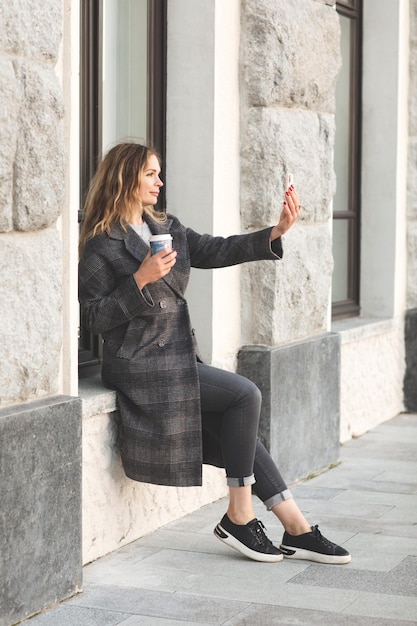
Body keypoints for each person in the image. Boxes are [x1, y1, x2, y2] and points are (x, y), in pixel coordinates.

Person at [78, 142, 351, 565]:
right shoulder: (102, 244)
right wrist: (139, 281)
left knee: (235, 437)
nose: (159, 182)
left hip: (178, 358)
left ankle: (297, 528)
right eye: (151, 173)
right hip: (139, 365)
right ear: (126, 177)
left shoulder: (167, 227)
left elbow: (216, 249)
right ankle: (240, 516)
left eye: (158, 173)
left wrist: (275, 233)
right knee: (245, 395)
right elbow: (94, 318)